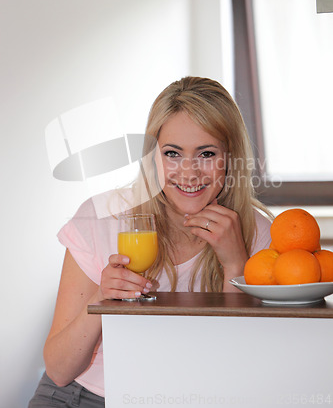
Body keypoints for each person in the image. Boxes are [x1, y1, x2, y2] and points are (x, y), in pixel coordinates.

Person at [28, 76, 273, 407]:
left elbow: (234, 366)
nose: (189, 172)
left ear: (230, 157)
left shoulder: (256, 233)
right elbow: (58, 371)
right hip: (81, 395)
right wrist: (104, 298)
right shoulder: (103, 218)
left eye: (206, 153)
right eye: (172, 153)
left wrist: (234, 265)